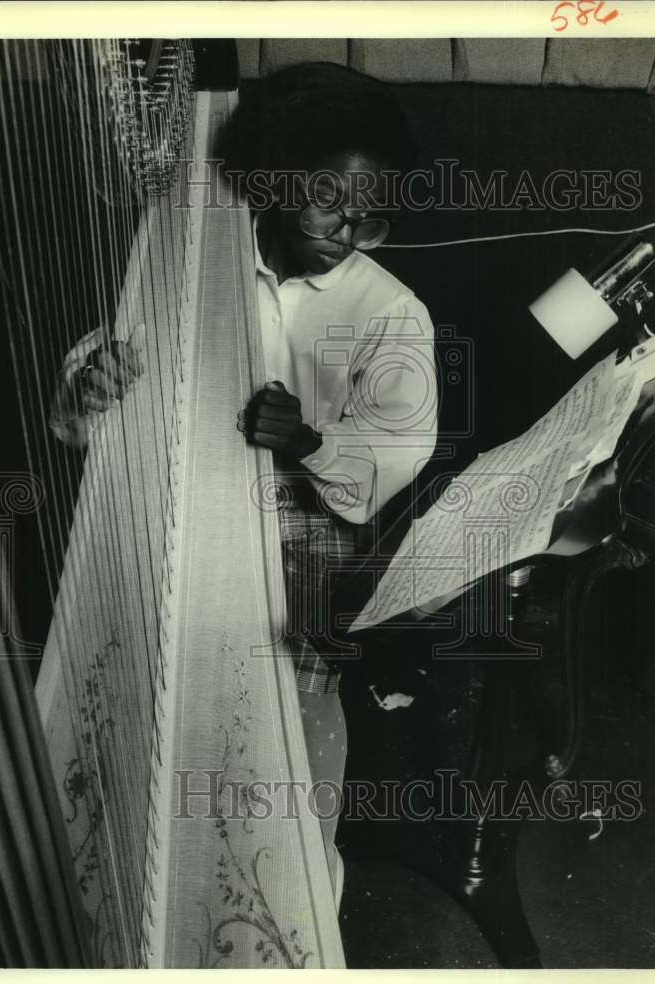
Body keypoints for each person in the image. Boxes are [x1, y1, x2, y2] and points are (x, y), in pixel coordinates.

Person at [50, 62, 438, 904]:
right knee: (118, 749)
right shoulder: (193, 255)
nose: (348, 227)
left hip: (300, 557)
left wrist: (306, 440)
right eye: (328, 197)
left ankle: (296, 908)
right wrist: (91, 386)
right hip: (175, 534)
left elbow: (397, 451)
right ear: (276, 177)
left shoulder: (392, 312)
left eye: (373, 214)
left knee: (276, 793)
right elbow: (88, 408)